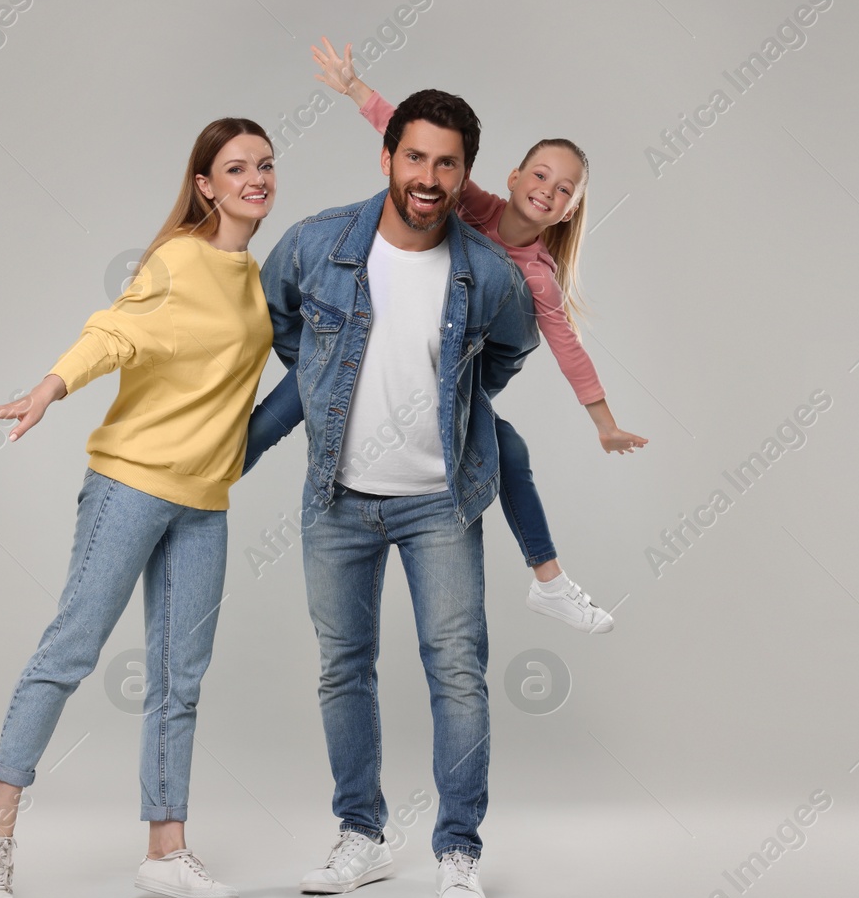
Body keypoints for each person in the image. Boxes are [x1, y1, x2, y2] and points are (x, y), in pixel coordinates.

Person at [0, 118, 277, 898]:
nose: (255, 178)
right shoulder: (177, 260)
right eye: (236, 167)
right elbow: (114, 333)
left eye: (266, 166)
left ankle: (165, 850)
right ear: (205, 184)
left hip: (205, 502)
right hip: (131, 485)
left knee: (181, 678)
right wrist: (47, 389)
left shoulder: (260, 279)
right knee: (71, 649)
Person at [244, 88, 538, 898]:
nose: (429, 176)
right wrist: (321, 380)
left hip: (441, 502)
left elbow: (511, 349)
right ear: (387, 158)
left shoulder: (488, 273)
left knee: (458, 674)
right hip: (338, 496)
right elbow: (274, 322)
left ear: (465, 173)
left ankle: (458, 851)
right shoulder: (318, 243)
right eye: (416, 156)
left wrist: (453, 397)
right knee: (343, 670)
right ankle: (361, 837)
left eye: (447, 162)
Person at [247, 39, 647, 635]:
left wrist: (604, 422)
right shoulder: (473, 201)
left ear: (569, 211)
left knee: (508, 451)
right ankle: (204, 475)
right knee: (299, 388)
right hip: (380, 354)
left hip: (446, 379)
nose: (548, 190)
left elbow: (566, 349)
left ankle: (551, 581)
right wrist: (355, 87)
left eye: (565, 190)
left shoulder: (534, 275)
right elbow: (410, 139)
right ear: (513, 177)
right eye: (541, 175)